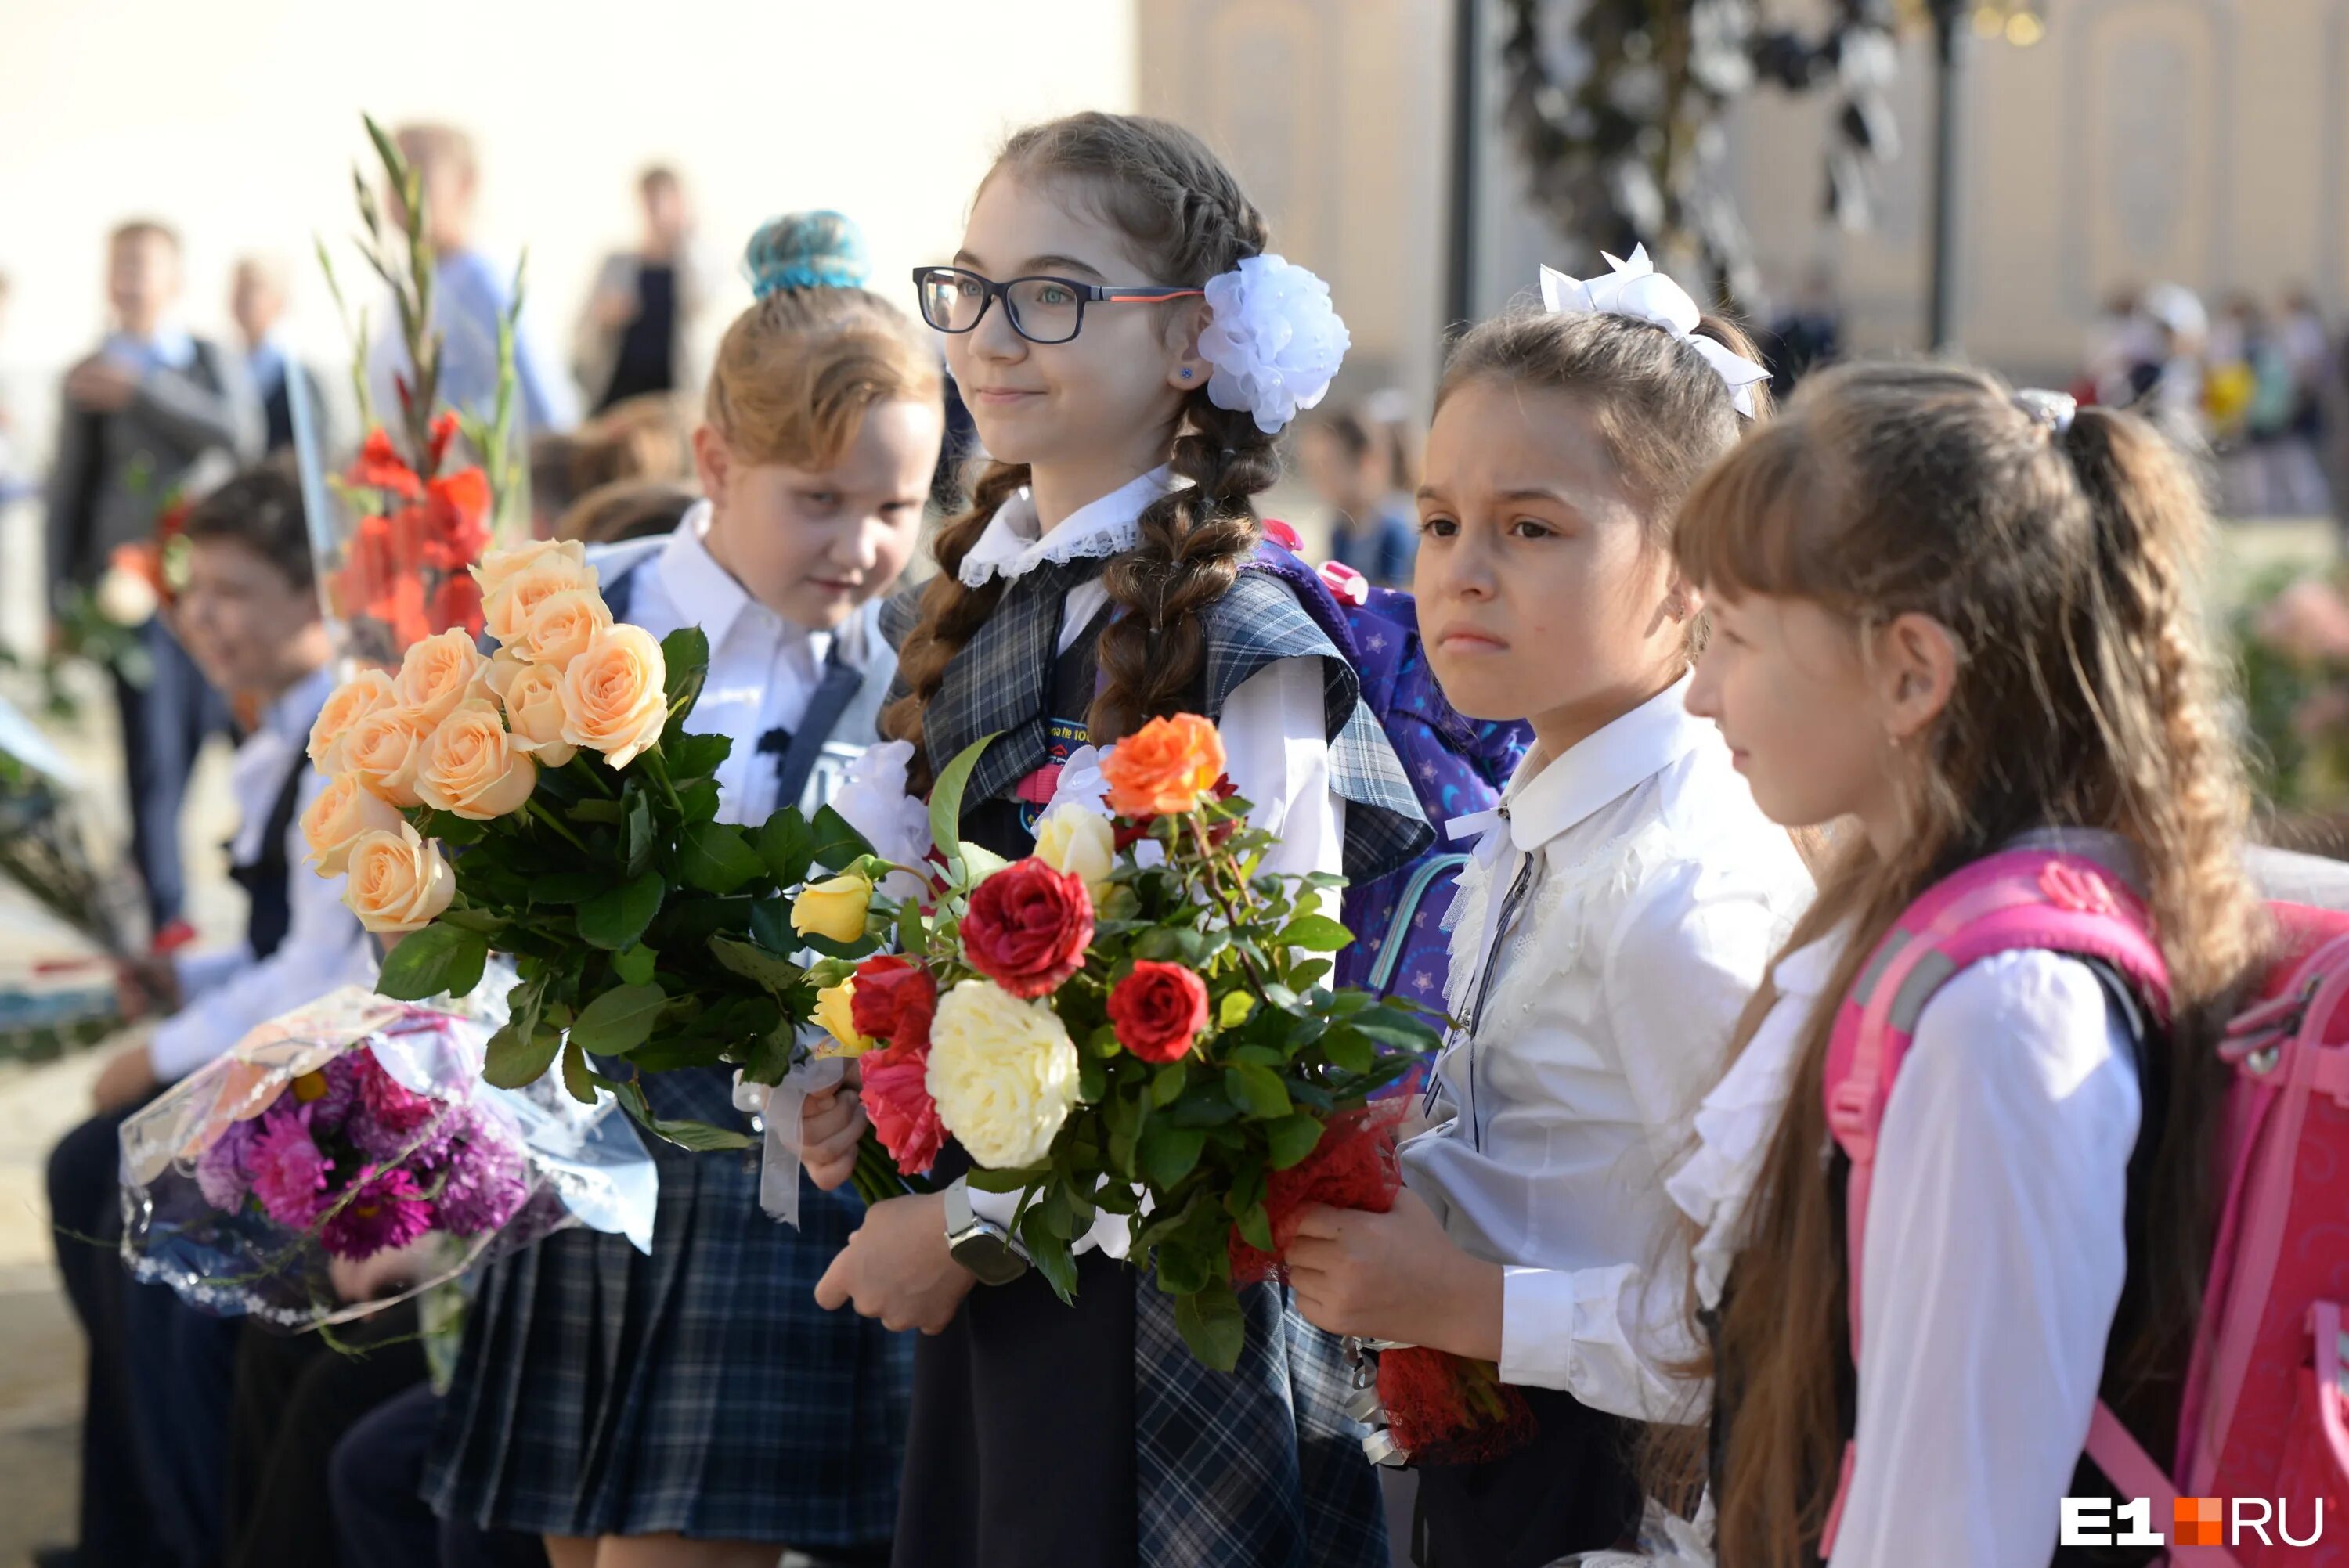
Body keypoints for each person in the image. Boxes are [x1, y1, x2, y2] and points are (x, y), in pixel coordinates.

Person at [800, 110, 1427, 1568]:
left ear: (1196, 341)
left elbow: (1267, 1024)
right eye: (970, 287)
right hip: (1002, 1291)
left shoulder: (1245, 640)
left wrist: (966, 1226)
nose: (993, 336)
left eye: (1056, 295)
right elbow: (922, 938)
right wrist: (853, 1074)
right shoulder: (979, 611)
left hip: (1164, 1315)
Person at [1656, 363, 2263, 1568]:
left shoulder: (2004, 1017)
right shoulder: (1911, 930)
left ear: (1912, 671)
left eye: (1731, 633)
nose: (1700, 688)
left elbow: (1956, 1525)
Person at [426, 211, 944, 1568]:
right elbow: (458, 874)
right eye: (818, 499)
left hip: (770, 1173)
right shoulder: (579, 619)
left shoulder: (907, 671)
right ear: (716, 461)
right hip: (582, 1152)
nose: (863, 544)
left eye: (897, 507)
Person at [1279, 260, 1810, 1568]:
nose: (1461, 572)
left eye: (1531, 529)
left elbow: (1774, 1324)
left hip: (1625, 1492)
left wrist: (1465, 1298)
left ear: (1694, 573)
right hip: (1500, 1453)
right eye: (1443, 520)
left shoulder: (1681, 890)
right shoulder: (1541, 794)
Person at [44, 460, 372, 1568]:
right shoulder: (282, 725)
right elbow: (285, 945)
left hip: (341, 1077)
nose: (202, 617)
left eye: (231, 589)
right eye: (194, 589)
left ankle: (179, 1530)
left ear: (310, 592)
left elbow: (323, 975)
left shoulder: (342, 735)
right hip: (303, 1053)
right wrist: (182, 980)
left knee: (142, 1213)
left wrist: (160, 1052)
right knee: (93, 1174)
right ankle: (139, 1519)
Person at [45, 218, 261, 942]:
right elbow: (65, 496)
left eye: (145, 264)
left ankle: (269, 901)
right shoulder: (84, 375)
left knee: (238, 744)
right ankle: (166, 923)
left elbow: (241, 435)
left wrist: (140, 389)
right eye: (121, 264)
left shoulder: (201, 361)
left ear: (173, 279)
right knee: (152, 759)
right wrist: (57, 602)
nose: (132, 277)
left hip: (219, 600)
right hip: (131, 600)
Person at [370, 124, 578, 434]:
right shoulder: (409, 286)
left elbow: (549, 417)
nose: (400, 189)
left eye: (416, 171)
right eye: (391, 173)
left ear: (465, 183)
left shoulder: (481, 285)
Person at [576, 166, 711, 415]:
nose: (657, 209)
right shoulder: (616, 264)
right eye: (650, 199)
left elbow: (704, 304)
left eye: (663, 198)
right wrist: (605, 318)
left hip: (673, 399)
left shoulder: (694, 264)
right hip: (617, 397)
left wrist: (686, 236)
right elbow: (582, 332)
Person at [231, 254, 341, 458]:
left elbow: (318, 447)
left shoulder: (297, 377)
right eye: (238, 287)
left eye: (254, 288)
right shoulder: (227, 366)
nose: (243, 297)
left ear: (279, 299)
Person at [1297, 407, 1416, 586]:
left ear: (1364, 461)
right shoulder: (1341, 530)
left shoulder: (1397, 529)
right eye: (1313, 468)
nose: (1320, 479)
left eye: (1329, 465)